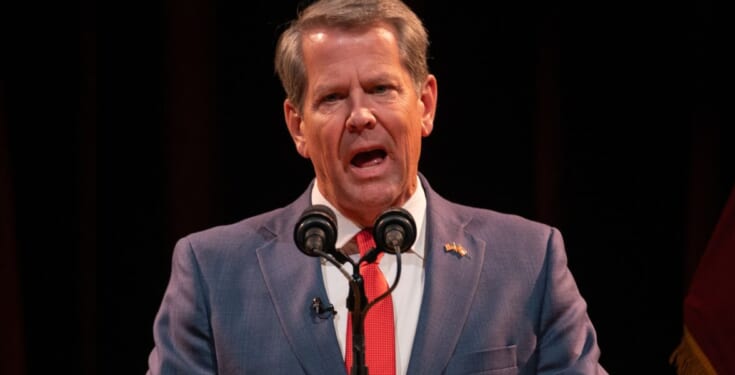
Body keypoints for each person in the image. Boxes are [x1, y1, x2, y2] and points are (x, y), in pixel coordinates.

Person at [146, 0, 608, 373]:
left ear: (425, 105)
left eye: (381, 89)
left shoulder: (529, 262)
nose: (360, 116)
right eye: (331, 97)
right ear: (297, 126)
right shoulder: (212, 273)